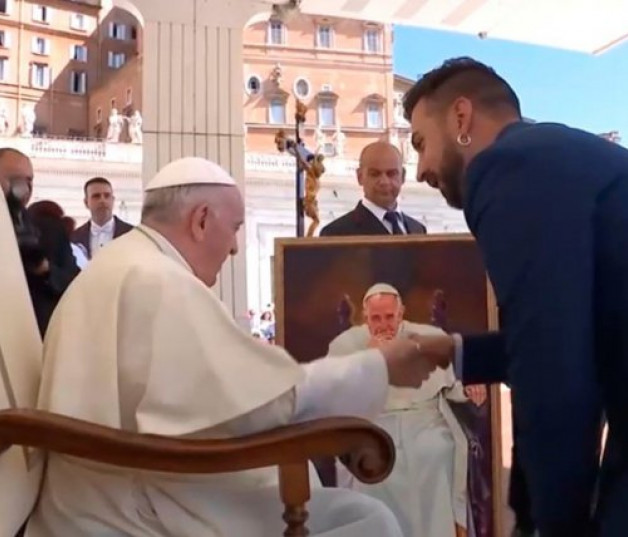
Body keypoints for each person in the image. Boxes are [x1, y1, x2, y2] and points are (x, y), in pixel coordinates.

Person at [27, 157, 435, 537]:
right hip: (135, 505)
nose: (236, 247)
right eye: (236, 227)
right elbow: (266, 404)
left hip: (113, 487)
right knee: (366, 520)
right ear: (202, 220)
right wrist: (379, 365)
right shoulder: (158, 281)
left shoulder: (125, 262)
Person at [401, 57, 627, 537]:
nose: (419, 170)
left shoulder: (507, 168)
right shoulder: (551, 152)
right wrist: (455, 351)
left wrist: (552, 524)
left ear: (461, 118)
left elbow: (553, 361)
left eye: (420, 143)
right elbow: (569, 327)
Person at [328, 283, 474, 537]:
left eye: (389, 317)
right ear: (365, 317)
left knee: (435, 451)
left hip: (424, 419)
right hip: (372, 422)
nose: (384, 324)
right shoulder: (346, 344)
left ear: (401, 313)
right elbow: (337, 396)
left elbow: (454, 383)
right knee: (370, 466)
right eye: (376, 318)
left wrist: (471, 386)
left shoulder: (426, 337)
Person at [0, 148, 79, 336]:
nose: (26, 188)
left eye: (30, 180)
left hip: (32, 340)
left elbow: (75, 283)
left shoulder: (50, 230)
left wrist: (45, 270)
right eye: (16, 179)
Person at [319, 141, 426, 236]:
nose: (384, 182)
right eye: (375, 174)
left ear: (402, 177)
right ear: (360, 177)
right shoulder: (336, 233)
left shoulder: (418, 230)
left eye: (391, 174)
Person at [71, 177, 133, 260]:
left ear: (113, 200)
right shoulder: (74, 237)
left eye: (107, 196)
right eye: (96, 196)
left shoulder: (132, 233)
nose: (102, 200)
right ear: (86, 203)